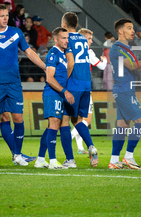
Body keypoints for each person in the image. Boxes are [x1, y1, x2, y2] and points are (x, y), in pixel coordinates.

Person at [0, 4, 45, 166]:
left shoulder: (16, 32)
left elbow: (29, 52)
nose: (5, 18)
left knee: (18, 118)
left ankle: (17, 155)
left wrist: (44, 67)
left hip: (13, 82)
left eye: (7, 15)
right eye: (2, 16)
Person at [109, 18, 141, 169]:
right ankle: (129, 156)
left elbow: (136, 68)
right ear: (120, 31)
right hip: (124, 90)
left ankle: (114, 160)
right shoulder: (117, 47)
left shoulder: (126, 48)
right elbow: (132, 66)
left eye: (132, 28)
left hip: (124, 89)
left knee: (122, 126)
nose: (133, 31)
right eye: (129, 28)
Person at [60, 12, 99, 168]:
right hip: (86, 84)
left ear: (64, 24)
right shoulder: (83, 39)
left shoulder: (66, 39)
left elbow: (70, 63)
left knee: (64, 121)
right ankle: (91, 147)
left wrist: (65, 81)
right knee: (77, 121)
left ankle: (70, 160)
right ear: (76, 25)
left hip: (74, 84)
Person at [34, 27, 74, 169]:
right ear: (56, 39)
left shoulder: (64, 54)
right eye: (63, 38)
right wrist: (65, 91)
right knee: (54, 124)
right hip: (53, 93)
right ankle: (52, 161)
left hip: (61, 93)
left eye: (67, 38)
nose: (66, 40)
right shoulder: (53, 53)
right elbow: (50, 78)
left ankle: (40, 159)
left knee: (53, 126)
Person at [70, 28, 107, 155]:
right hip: (84, 88)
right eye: (89, 38)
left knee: (76, 119)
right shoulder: (88, 52)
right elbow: (102, 66)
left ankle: (80, 147)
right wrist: (105, 60)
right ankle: (69, 137)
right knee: (86, 120)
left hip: (72, 87)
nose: (91, 41)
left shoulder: (71, 49)